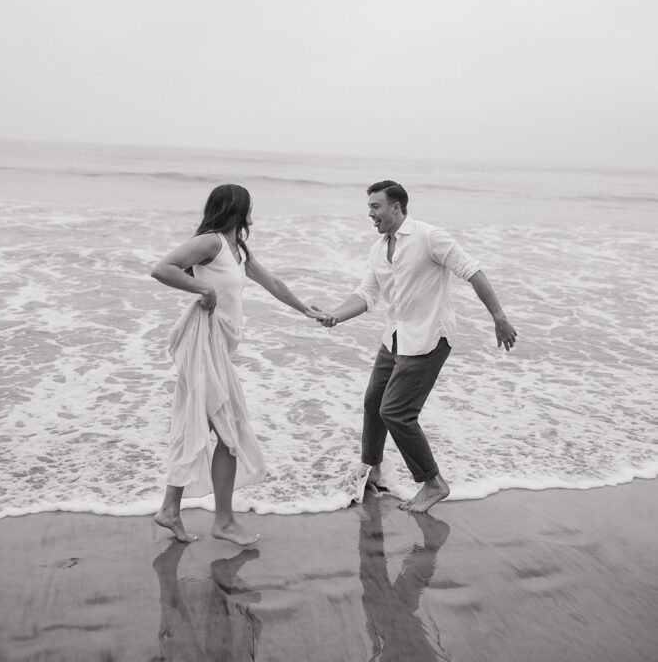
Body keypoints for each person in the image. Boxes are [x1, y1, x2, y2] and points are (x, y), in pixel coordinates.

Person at [317, 180, 517, 513]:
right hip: (395, 337)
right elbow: (367, 295)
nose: (370, 213)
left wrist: (499, 317)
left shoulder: (429, 237)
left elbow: (472, 271)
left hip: (427, 339)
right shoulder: (380, 248)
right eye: (369, 207)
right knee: (373, 403)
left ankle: (433, 483)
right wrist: (335, 316)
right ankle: (375, 469)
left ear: (396, 207)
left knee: (396, 412)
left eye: (375, 207)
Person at [151, 183, 322, 545]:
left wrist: (305, 308)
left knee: (201, 428)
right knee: (227, 433)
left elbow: (271, 281)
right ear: (237, 209)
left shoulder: (237, 248)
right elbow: (163, 269)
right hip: (203, 344)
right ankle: (223, 521)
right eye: (248, 208)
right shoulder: (211, 242)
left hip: (220, 348)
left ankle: (171, 509)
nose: (251, 215)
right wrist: (203, 290)